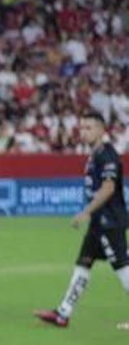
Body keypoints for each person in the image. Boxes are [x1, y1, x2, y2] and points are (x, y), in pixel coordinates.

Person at [35, 111, 129, 328]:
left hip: (110, 222)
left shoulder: (107, 155)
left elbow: (108, 188)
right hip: (99, 223)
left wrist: (86, 211)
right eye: (82, 128)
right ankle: (63, 314)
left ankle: (63, 313)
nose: (84, 132)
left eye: (89, 128)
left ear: (101, 130)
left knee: (123, 268)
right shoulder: (94, 156)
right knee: (83, 264)